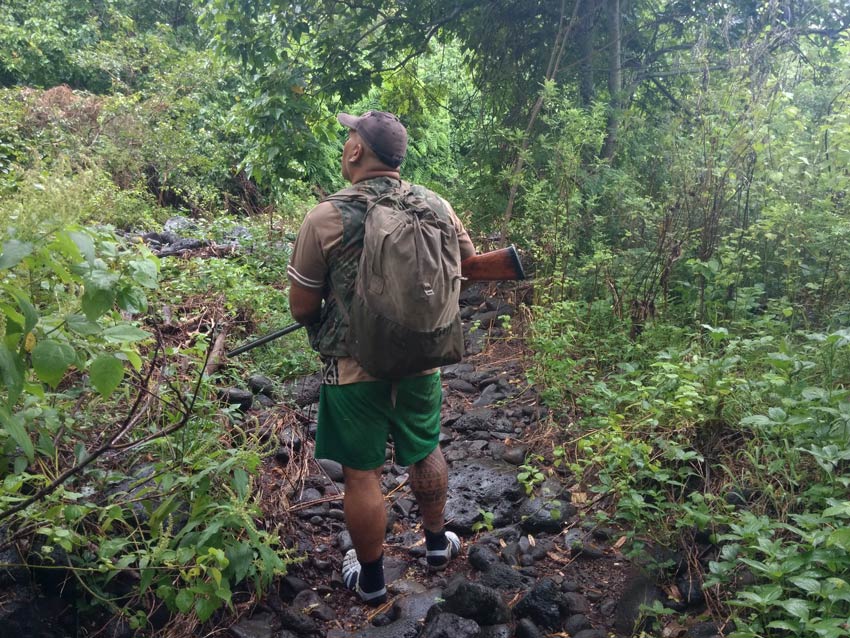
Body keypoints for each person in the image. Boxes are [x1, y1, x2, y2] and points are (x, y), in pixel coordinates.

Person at [287, 110, 476, 605]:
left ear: (355, 151)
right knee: (426, 448)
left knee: (362, 473)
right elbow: (468, 267)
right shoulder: (436, 205)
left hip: (353, 369)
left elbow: (302, 307)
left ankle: (371, 579)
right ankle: (437, 546)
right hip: (423, 360)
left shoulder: (326, 216)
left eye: (350, 136)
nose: (347, 143)